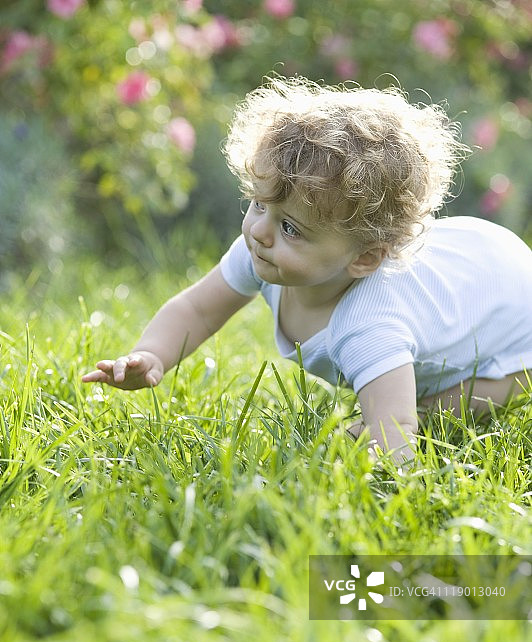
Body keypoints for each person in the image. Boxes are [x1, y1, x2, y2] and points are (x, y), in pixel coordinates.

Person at [82, 76, 532, 465]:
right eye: (259, 203)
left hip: (512, 310)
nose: (259, 230)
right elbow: (199, 309)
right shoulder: (262, 249)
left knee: (447, 403)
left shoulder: (370, 326)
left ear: (365, 258)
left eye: (291, 227)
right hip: (477, 260)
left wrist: (378, 441)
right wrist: (153, 355)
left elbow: (398, 446)